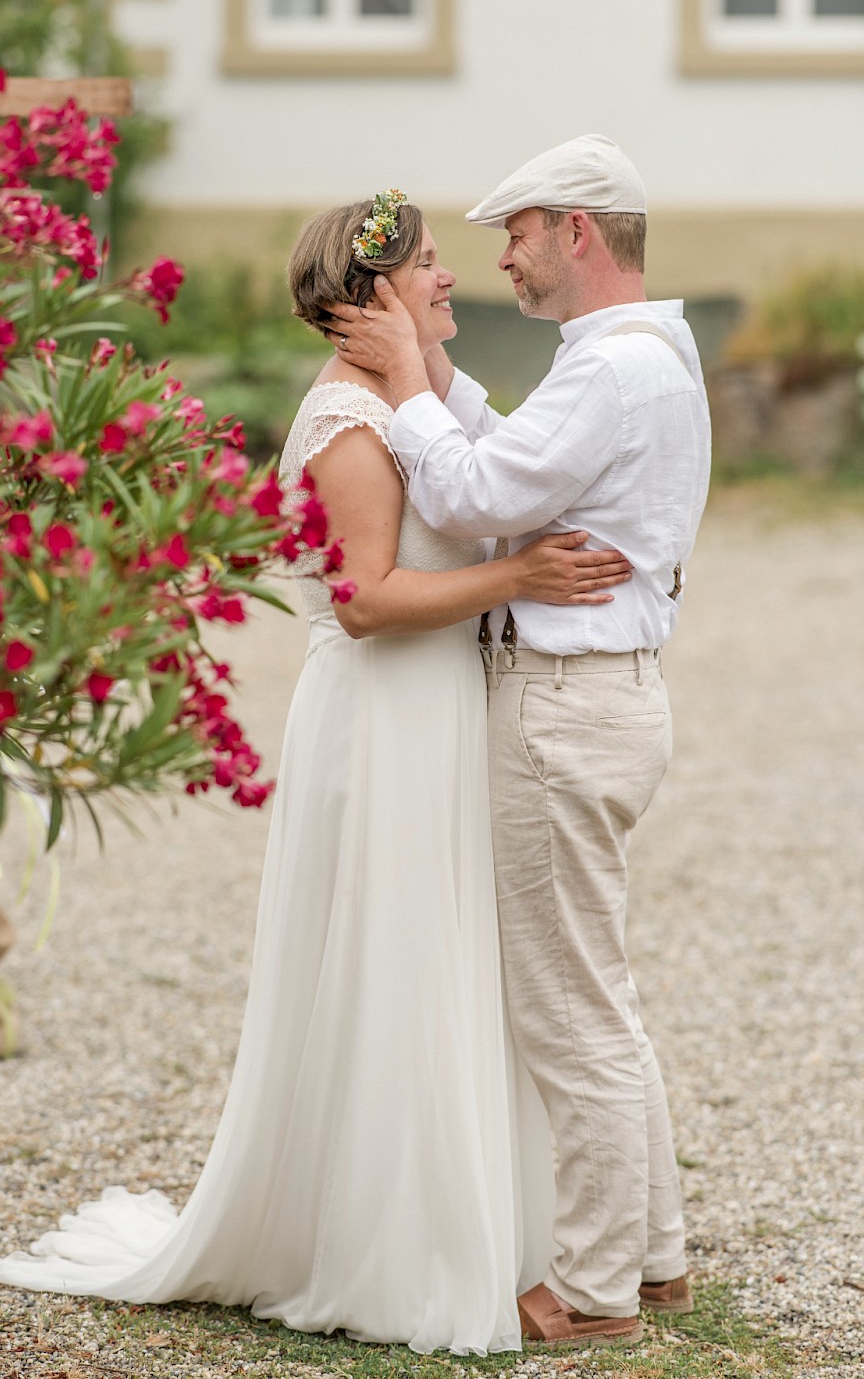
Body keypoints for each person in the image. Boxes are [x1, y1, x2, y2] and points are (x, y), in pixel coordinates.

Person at [0, 192, 635, 1354]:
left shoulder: (420, 399)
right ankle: (384, 1245)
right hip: (385, 719)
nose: (449, 278)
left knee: (449, 964)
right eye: (428, 265)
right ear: (372, 294)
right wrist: (516, 578)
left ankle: (489, 1225)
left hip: (441, 713)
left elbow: (509, 463)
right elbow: (368, 599)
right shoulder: (348, 421)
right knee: (392, 964)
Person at [325, 135, 712, 1349]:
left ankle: (592, 1291)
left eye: (518, 234)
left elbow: (477, 497)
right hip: (605, 696)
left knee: (567, 1012)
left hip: (563, 703)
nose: (501, 259)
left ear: (575, 232)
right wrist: (428, 379)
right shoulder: (638, 351)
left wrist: (399, 384)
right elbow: (511, 454)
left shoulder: (611, 369)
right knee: (601, 993)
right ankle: (653, 1261)